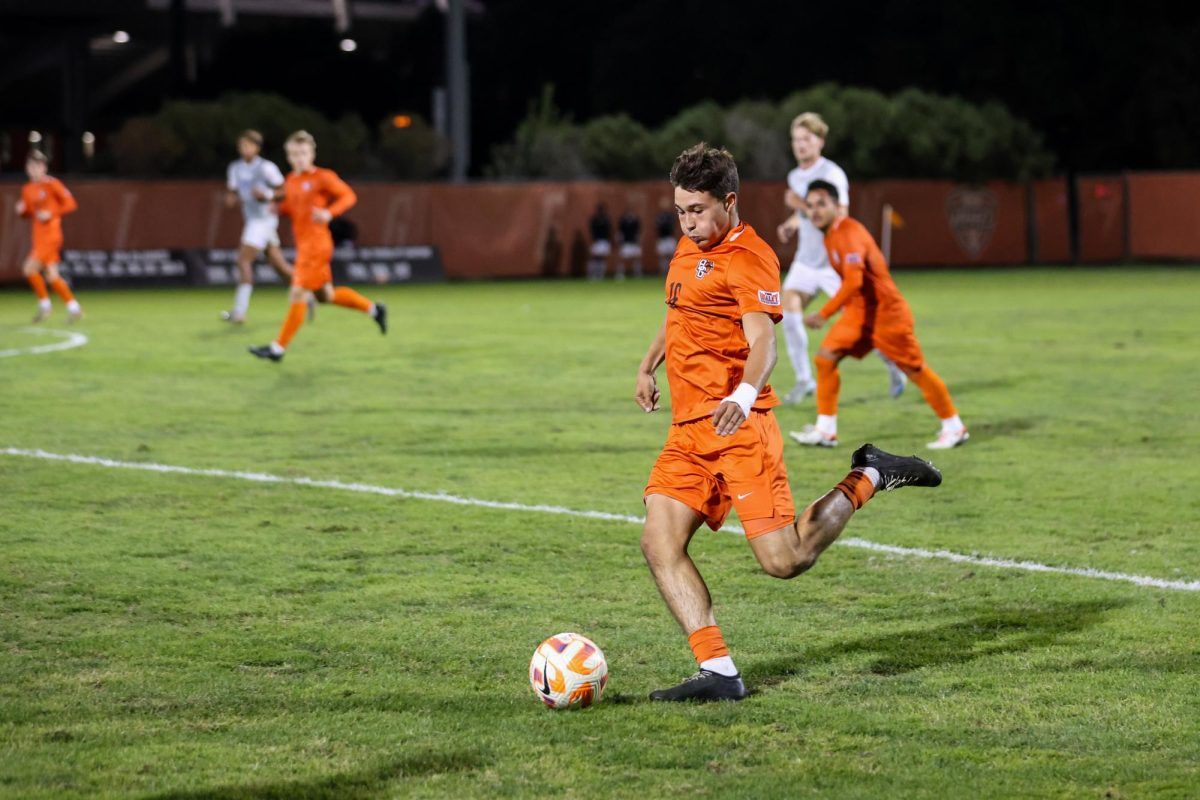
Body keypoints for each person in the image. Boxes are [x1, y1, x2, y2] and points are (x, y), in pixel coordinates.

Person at [635, 144, 944, 702]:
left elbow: (764, 341)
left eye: (698, 211)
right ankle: (719, 673)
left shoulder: (749, 257)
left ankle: (869, 475)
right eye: (680, 211)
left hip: (738, 428)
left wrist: (746, 392)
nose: (687, 222)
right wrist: (647, 363)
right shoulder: (689, 245)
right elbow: (678, 307)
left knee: (786, 560)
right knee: (659, 542)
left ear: (729, 202)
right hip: (687, 433)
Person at [790, 180, 969, 450]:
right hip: (861, 313)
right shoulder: (830, 235)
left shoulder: (849, 232)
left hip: (887, 315)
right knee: (825, 359)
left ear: (838, 207)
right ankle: (825, 430)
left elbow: (853, 283)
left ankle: (954, 427)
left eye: (822, 204)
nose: (815, 211)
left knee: (914, 369)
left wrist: (824, 313)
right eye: (811, 205)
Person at [775, 112, 905, 403]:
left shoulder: (832, 174)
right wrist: (791, 223)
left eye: (806, 139)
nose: (800, 145)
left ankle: (895, 365)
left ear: (820, 141)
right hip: (806, 260)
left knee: (861, 323)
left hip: (834, 262)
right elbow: (804, 214)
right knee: (788, 311)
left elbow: (841, 216)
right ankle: (804, 380)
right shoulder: (795, 176)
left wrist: (799, 204)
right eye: (796, 140)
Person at [248, 130, 386, 362]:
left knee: (297, 291)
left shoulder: (323, 177)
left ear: (312, 153)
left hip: (317, 245)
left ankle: (277, 349)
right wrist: (275, 206)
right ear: (289, 156)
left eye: (303, 153)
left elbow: (348, 196)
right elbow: (292, 209)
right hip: (305, 246)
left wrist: (328, 213)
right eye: (294, 154)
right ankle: (374, 309)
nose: (299, 157)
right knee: (326, 296)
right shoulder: (291, 181)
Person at [221, 130, 296, 324]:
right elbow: (232, 191)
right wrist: (229, 199)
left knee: (243, 260)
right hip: (252, 220)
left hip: (264, 220)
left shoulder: (266, 167)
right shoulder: (235, 168)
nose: (244, 149)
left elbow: (284, 190)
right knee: (279, 266)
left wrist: (268, 196)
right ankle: (308, 294)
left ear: (257, 147)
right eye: (241, 145)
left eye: (248, 145)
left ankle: (239, 312)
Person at [15, 151, 82, 323]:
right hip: (38, 236)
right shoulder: (27, 189)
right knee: (52, 276)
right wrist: (22, 211)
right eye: (31, 166)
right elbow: (29, 212)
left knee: (29, 269)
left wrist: (51, 212)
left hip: (51, 236)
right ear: (27, 168)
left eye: (38, 166)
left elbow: (71, 204)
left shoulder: (52, 184)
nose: (34, 169)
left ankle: (45, 305)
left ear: (44, 168)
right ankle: (74, 308)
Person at [587, 203, 612, 280]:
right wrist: (592, 239)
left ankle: (600, 275)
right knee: (593, 257)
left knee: (601, 258)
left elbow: (609, 230)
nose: (600, 211)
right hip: (596, 240)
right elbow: (591, 230)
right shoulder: (594, 219)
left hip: (604, 240)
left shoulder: (606, 219)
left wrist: (609, 240)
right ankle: (592, 274)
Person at [617, 208, 643, 279]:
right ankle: (620, 273)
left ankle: (637, 273)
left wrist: (638, 241)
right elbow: (620, 232)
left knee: (637, 258)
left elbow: (638, 232)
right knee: (622, 259)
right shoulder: (623, 221)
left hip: (634, 243)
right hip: (626, 243)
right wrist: (620, 242)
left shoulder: (636, 220)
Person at [654, 200, 676, 274]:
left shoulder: (670, 216)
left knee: (671, 255)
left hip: (669, 238)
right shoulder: (659, 216)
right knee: (662, 256)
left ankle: (671, 271)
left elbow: (673, 226)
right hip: (662, 238)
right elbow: (657, 227)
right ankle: (663, 271)